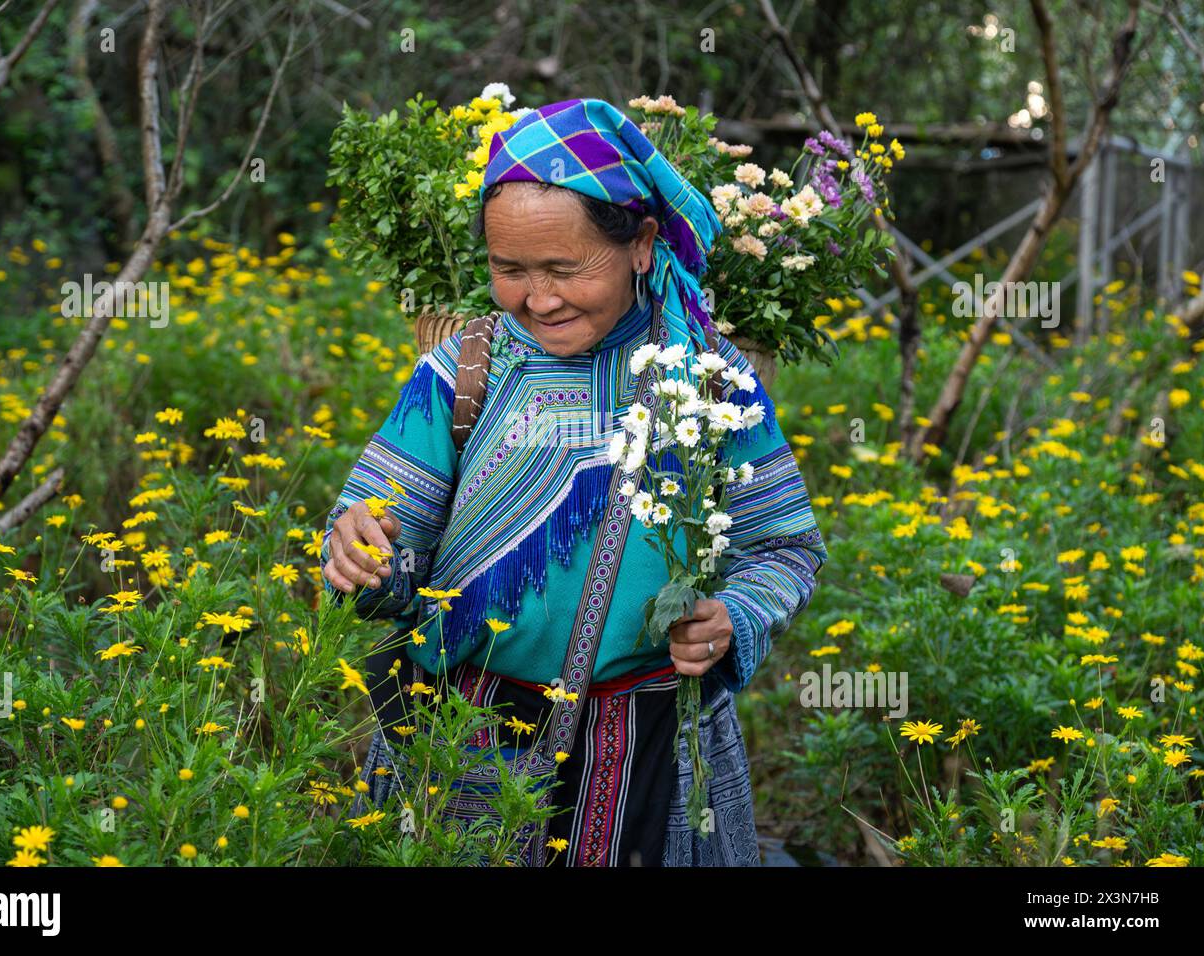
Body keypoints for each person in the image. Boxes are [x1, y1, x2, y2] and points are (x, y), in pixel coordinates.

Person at [321, 98, 828, 866]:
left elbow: (785, 546)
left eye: (565, 269)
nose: (539, 297)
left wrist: (733, 614)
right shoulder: (462, 374)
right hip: (466, 731)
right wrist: (361, 551)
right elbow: (388, 532)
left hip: (650, 734)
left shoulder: (710, 385)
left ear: (642, 245)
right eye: (509, 269)